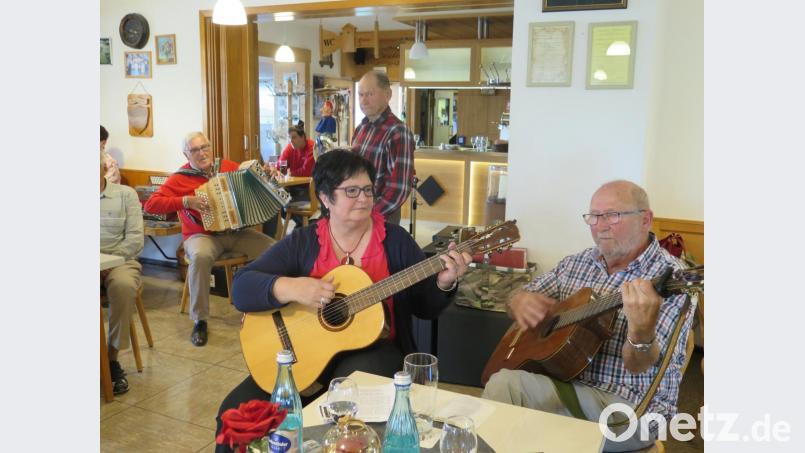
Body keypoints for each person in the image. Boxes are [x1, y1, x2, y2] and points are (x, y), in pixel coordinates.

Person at [214, 149, 471, 452]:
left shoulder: (396, 240)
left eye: (367, 190)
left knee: (345, 414)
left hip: (376, 351)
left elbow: (424, 308)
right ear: (325, 198)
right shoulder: (304, 241)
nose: (363, 198)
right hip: (302, 357)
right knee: (233, 413)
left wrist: (443, 282)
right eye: (351, 191)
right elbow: (243, 287)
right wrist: (293, 288)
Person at [482, 180, 695, 452]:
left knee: (508, 404)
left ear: (646, 219)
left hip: (627, 408)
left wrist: (641, 332)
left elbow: (640, 365)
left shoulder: (670, 279)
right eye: (593, 216)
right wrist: (519, 299)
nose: (600, 225)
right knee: (503, 394)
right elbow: (519, 296)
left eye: (612, 215)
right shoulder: (577, 263)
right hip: (565, 384)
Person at [144, 132, 275, 347]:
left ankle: (269, 304)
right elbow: (151, 205)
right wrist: (186, 201)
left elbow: (252, 182)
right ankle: (200, 321)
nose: (202, 153)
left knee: (273, 249)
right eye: (195, 150)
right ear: (186, 153)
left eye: (205, 147)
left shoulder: (227, 167)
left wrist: (266, 175)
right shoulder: (179, 178)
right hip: (201, 235)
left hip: (235, 233)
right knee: (200, 256)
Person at [100, 141, 144, 395]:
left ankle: (112, 358)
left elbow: (135, 240)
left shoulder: (126, 195)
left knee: (124, 286)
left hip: (121, 262)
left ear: (103, 167)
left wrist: (109, 262)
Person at [351, 70, 415, 226]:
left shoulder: (398, 131)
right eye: (360, 94)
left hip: (381, 219)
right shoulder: (361, 129)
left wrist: (368, 213)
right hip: (356, 214)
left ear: (388, 94)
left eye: (370, 94)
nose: (363, 101)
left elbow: (399, 188)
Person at [261, 122, 315, 237]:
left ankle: (304, 229)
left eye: (294, 137)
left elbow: (306, 171)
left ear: (303, 137)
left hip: (308, 188)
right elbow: (281, 164)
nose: (292, 141)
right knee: (276, 199)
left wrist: (290, 173)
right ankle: (299, 230)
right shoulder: (290, 148)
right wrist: (276, 169)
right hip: (293, 187)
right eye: (290, 138)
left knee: (288, 205)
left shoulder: (312, 147)